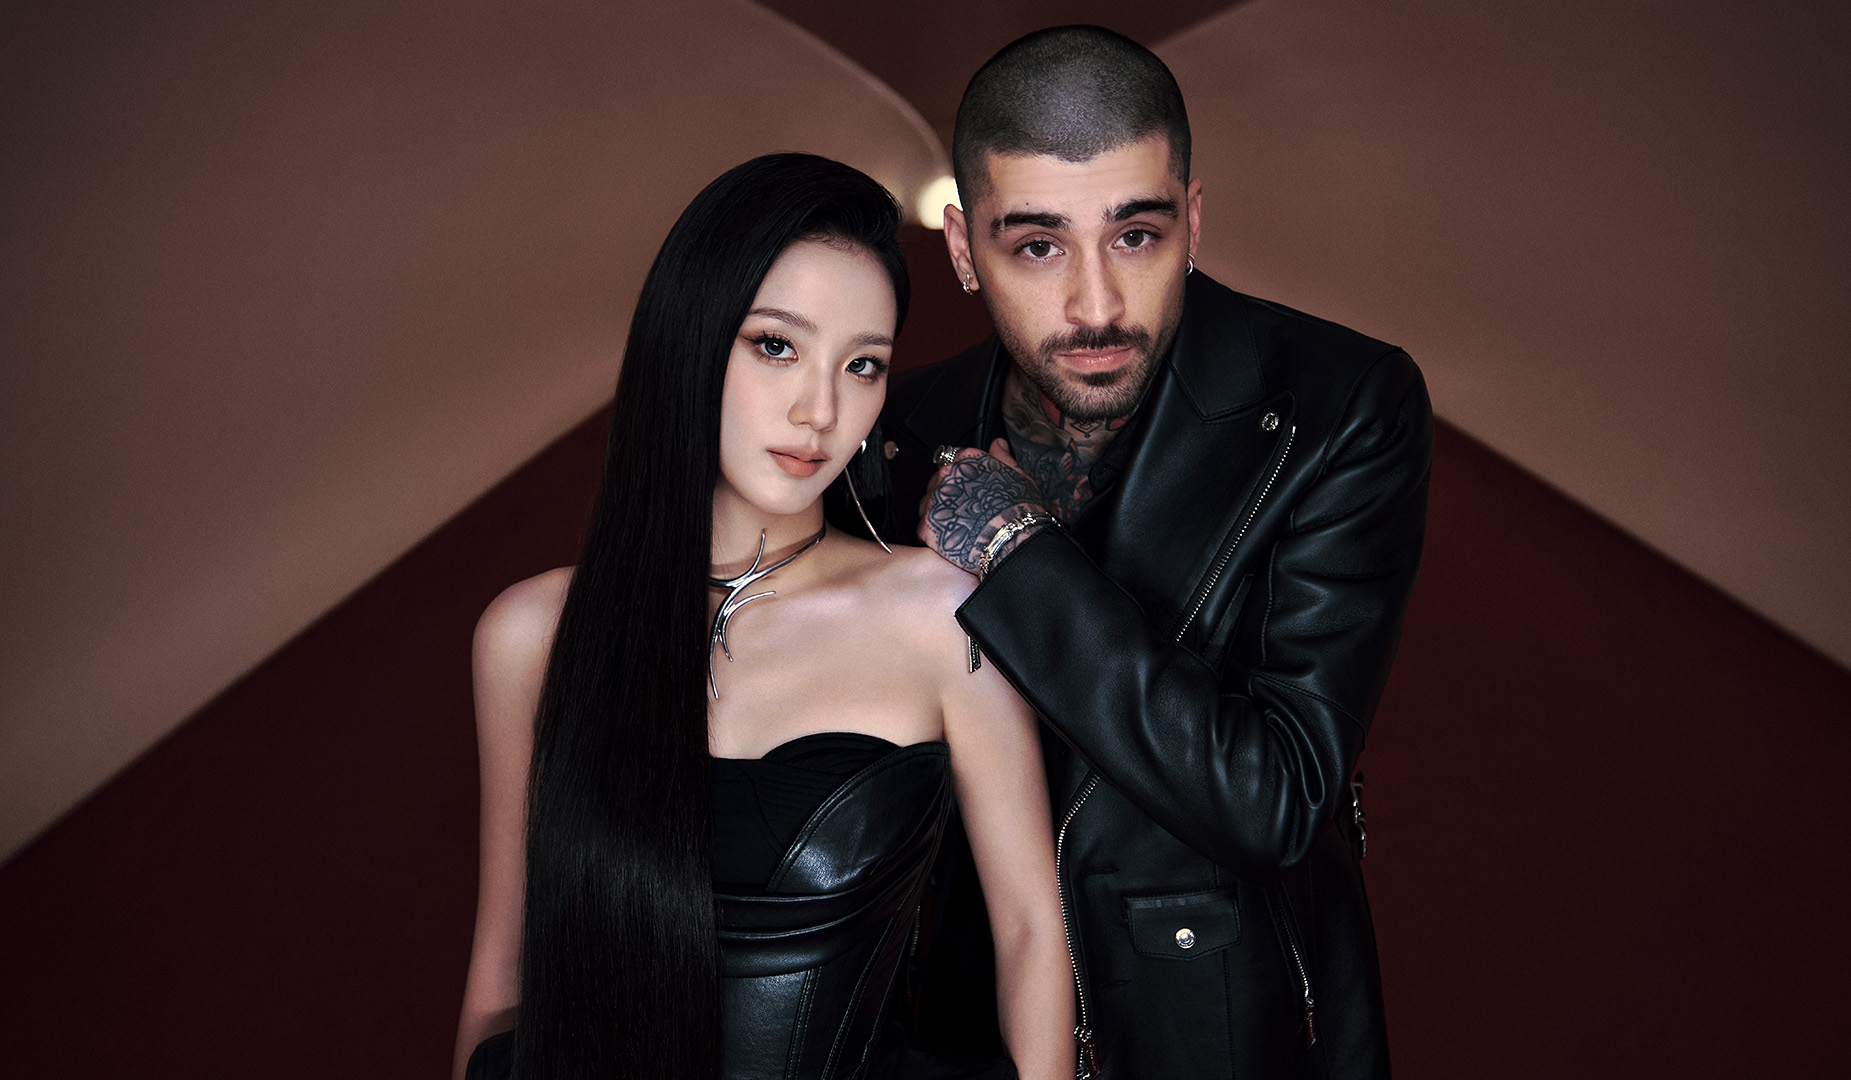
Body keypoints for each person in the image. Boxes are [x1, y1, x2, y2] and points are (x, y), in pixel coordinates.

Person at [881, 27, 1431, 1080]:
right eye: (1036, 246)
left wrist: (1014, 549)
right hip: (966, 1035)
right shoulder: (896, 433)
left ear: (1193, 220)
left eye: (1135, 235)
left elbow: (1274, 799)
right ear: (960, 248)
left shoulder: (1338, 407)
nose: (1095, 306)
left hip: (1225, 1032)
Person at [453, 154, 1073, 1080]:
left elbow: (1031, 935)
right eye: (776, 346)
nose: (820, 410)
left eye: (863, 365)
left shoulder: (939, 617)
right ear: (691, 342)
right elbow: (504, 972)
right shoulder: (530, 636)